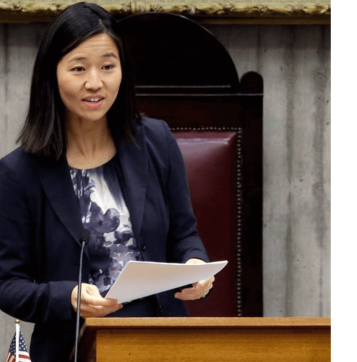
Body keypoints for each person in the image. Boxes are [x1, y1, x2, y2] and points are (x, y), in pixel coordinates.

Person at [0, 3, 214, 361]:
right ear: (51, 74)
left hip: (163, 340)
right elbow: (7, 285)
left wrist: (195, 264)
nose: (95, 82)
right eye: (79, 68)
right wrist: (66, 297)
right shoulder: (18, 173)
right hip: (75, 346)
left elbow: (184, 234)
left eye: (107, 66)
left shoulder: (156, 140)